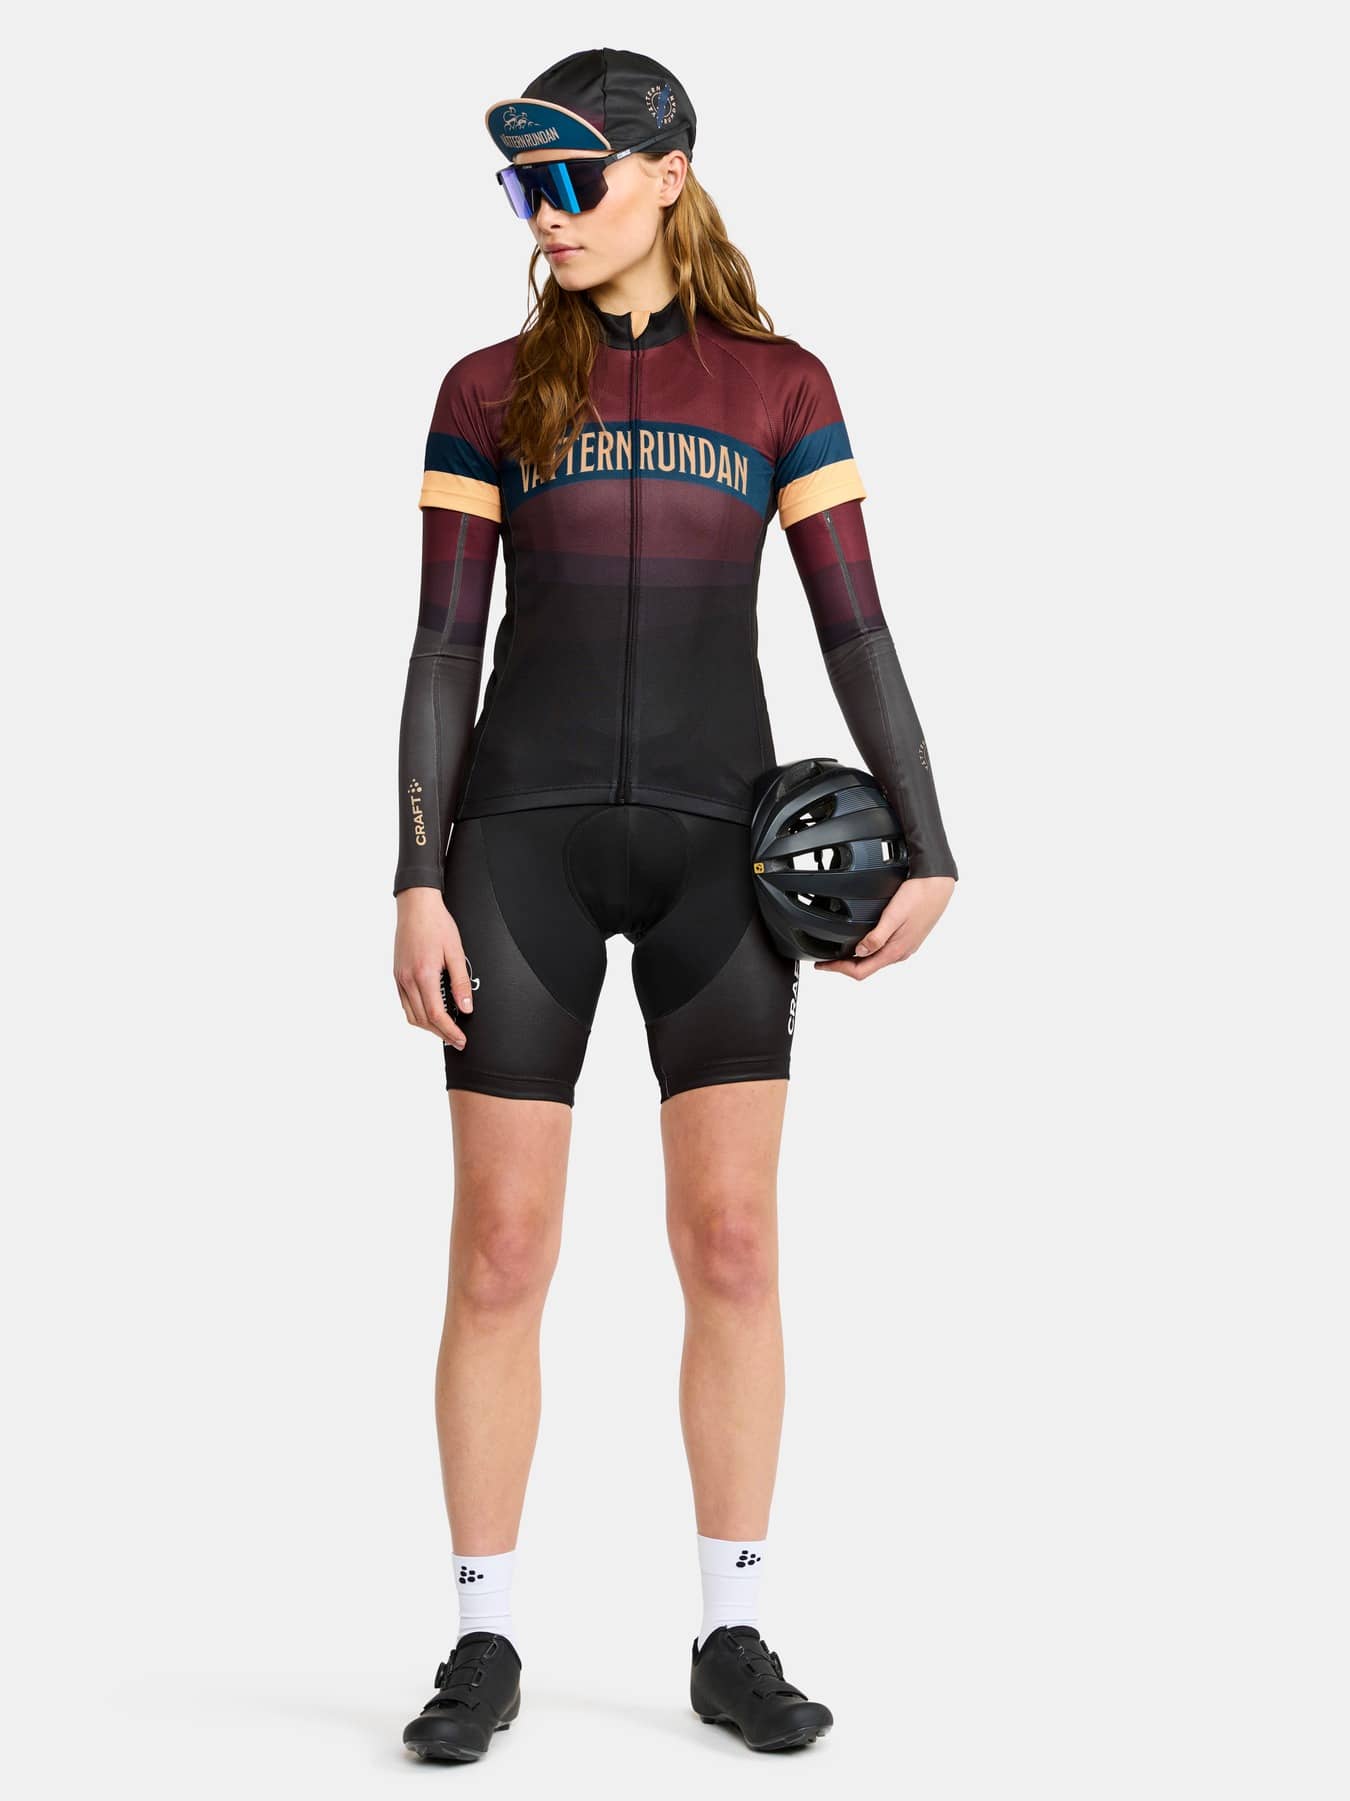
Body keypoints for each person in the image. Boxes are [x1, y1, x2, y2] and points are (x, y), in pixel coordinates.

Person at [393, 46, 958, 1761]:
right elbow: (442, 649)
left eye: (572, 180)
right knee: (502, 1249)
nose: (544, 215)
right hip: (518, 848)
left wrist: (931, 839)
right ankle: (482, 1637)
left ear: (667, 175)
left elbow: (854, 627)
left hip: (723, 851)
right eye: (524, 187)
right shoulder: (486, 388)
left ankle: (732, 1626)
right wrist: (415, 870)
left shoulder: (781, 386)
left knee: (730, 1243)